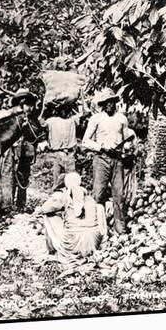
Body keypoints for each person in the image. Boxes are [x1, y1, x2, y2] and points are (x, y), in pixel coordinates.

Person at [82, 88, 129, 234]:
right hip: (101, 159)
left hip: (117, 160)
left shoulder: (122, 119)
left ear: (115, 103)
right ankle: (95, 226)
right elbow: (85, 141)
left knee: (119, 195)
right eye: (106, 102)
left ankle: (119, 227)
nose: (109, 105)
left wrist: (126, 148)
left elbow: (127, 141)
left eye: (112, 102)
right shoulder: (96, 118)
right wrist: (101, 147)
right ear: (102, 104)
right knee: (98, 193)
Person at [34, 172, 107, 262]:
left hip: (73, 243)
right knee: (99, 208)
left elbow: (44, 209)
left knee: (49, 216)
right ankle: (99, 246)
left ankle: (51, 250)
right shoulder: (90, 198)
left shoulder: (64, 197)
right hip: (93, 241)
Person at [8, 88, 41, 213]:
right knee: (10, 177)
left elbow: (37, 133)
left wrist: (28, 127)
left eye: (29, 104)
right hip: (12, 149)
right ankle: (8, 203)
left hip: (26, 151)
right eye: (25, 104)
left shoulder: (32, 119)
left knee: (23, 177)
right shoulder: (12, 116)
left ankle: (21, 204)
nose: (29, 107)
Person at [41, 101, 86, 187]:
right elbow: (40, 122)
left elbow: (85, 112)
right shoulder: (52, 121)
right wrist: (44, 107)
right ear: (58, 111)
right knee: (57, 183)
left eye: (66, 109)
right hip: (57, 154)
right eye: (61, 109)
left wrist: (81, 95)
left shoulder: (72, 120)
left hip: (70, 155)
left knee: (72, 183)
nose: (63, 111)